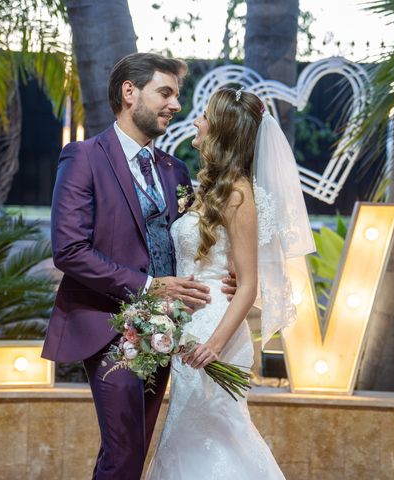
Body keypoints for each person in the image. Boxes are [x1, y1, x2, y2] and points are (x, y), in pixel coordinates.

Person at [41, 53, 235, 480]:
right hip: (107, 324)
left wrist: (226, 275)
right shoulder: (83, 157)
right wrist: (149, 286)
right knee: (125, 449)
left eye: (177, 96)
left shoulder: (176, 170)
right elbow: (69, 250)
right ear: (130, 92)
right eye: (165, 92)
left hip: (169, 331)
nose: (176, 105)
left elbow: (191, 240)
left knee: (131, 452)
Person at [145, 88, 315, 479]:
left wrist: (214, 345)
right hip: (189, 326)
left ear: (220, 130)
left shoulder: (239, 194)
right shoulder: (206, 189)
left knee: (218, 435)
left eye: (204, 116)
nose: (196, 121)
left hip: (215, 333)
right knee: (188, 435)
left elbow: (249, 285)